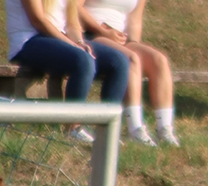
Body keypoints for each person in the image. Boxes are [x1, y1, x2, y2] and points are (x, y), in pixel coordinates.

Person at [5, 0, 130, 143]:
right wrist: (72, 45)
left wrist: (79, 42)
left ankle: (107, 131)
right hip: (28, 41)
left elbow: (72, 24)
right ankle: (73, 128)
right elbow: (38, 20)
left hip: (59, 39)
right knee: (83, 61)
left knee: (119, 62)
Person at [78, 0, 180, 147]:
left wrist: (132, 42)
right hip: (90, 34)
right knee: (132, 59)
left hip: (120, 38)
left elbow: (135, 20)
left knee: (159, 61)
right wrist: (102, 31)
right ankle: (135, 129)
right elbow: (75, 7)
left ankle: (164, 129)